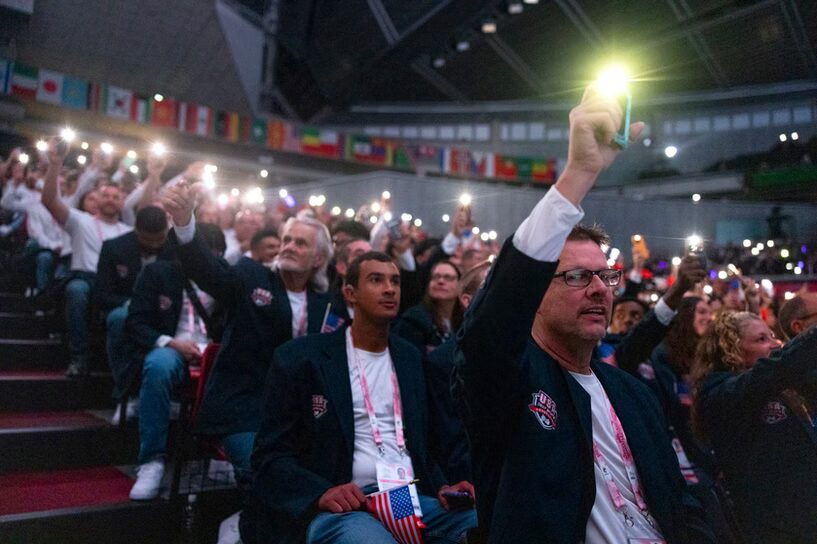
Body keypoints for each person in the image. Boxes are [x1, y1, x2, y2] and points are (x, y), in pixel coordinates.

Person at [454, 84, 713, 543]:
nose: (598, 289)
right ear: (534, 294)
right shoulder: (508, 381)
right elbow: (489, 332)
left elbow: (680, 502)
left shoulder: (633, 393)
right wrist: (579, 173)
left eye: (604, 276)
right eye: (575, 277)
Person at [245, 251, 476, 544]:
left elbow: (425, 444)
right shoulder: (303, 359)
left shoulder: (409, 358)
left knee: (487, 523)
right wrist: (321, 492)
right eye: (376, 280)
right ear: (350, 293)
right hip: (346, 504)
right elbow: (269, 457)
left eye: (395, 281)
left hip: (405, 498)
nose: (390, 288)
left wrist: (444, 485)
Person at [162, 180, 332, 477]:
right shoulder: (252, 277)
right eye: (287, 240)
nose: (289, 247)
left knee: (323, 470)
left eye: (300, 243)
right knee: (267, 472)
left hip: (300, 415)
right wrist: (185, 222)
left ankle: (255, 521)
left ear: (318, 259)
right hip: (244, 411)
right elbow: (208, 271)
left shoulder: (326, 304)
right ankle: (246, 523)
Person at [691, 311, 817, 542]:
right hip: (772, 528)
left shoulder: (783, 386)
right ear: (731, 350)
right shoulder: (721, 393)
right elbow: (775, 369)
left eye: (771, 335)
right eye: (761, 340)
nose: (775, 343)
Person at [126, 223, 225, 500]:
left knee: (239, 368)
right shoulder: (159, 273)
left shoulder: (224, 278)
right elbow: (136, 322)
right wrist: (171, 342)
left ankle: (221, 451)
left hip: (213, 350)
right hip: (172, 345)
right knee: (158, 366)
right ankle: (151, 461)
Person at [41, 138, 132, 377]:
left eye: (116, 196)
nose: (111, 199)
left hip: (114, 285)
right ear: (97, 199)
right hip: (86, 278)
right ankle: (79, 356)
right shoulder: (81, 221)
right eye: (106, 195)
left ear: (123, 203)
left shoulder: (128, 233)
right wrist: (55, 164)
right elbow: (49, 201)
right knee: (77, 291)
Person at [96, 206, 174, 401]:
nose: (155, 244)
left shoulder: (174, 250)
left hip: (164, 309)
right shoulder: (114, 248)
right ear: (136, 231)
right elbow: (102, 294)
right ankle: (126, 389)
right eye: (149, 239)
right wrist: (134, 304)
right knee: (120, 319)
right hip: (125, 308)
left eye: (160, 239)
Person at [426, 260, 490, 484]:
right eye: (494, 285)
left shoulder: (530, 352)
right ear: (468, 301)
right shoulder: (444, 361)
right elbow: (451, 442)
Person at [394, 261, 461, 355]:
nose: (440, 281)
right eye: (435, 277)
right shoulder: (414, 319)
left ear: (460, 285)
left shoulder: (465, 320)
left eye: (448, 278)